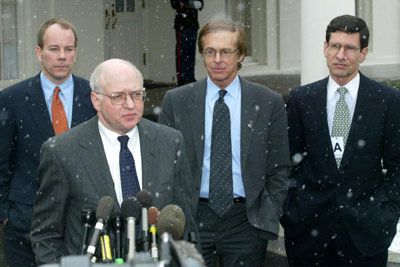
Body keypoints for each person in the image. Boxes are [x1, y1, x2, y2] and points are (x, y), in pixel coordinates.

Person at [30, 58, 197, 265]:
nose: (130, 104)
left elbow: (186, 223)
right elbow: (46, 235)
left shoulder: (170, 142)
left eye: (137, 95)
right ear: (96, 100)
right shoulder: (62, 151)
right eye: (118, 96)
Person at [158, 19, 291, 266]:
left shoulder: (268, 102)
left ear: (240, 55)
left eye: (226, 51)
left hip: (246, 221)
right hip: (193, 219)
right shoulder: (177, 101)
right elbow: (165, 167)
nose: (217, 59)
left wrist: (266, 217)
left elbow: (279, 168)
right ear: (202, 54)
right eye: (210, 51)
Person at [281, 14, 400, 266]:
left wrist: (386, 213)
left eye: (350, 48)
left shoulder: (387, 101)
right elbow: (285, 162)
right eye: (335, 46)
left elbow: (397, 164)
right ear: (325, 48)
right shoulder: (301, 99)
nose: (341, 54)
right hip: (308, 234)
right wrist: (292, 210)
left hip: (366, 235)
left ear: (363, 53)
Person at [0, 18, 96, 267]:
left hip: (81, 225)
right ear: (39, 53)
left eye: (69, 49)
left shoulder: (94, 97)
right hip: (25, 225)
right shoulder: (12, 99)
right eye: (54, 49)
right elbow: (1, 161)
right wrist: (5, 216)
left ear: (75, 52)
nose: (62, 56)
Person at [170, 0, 203, 86]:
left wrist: (196, 4)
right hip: (182, 24)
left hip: (193, 24)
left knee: (191, 52)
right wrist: (188, 3)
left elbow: (200, 4)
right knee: (182, 52)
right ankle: (182, 78)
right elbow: (174, 3)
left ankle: (190, 77)